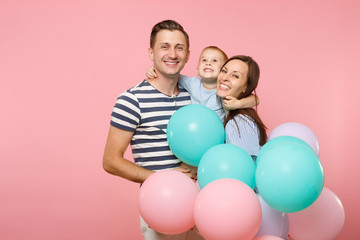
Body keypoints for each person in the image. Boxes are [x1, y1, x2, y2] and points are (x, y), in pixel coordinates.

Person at [102, 20, 204, 240]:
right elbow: (110, 161)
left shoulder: (196, 98)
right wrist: (161, 179)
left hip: (204, 207)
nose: (173, 54)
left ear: (187, 55)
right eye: (164, 46)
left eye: (179, 47)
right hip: (163, 206)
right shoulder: (132, 100)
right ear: (151, 52)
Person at [146, 46, 259, 121]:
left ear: (223, 70)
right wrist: (154, 70)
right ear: (197, 69)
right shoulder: (192, 83)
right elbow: (169, 75)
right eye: (204, 60)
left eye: (214, 61)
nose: (208, 63)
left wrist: (238, 104)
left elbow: (256, 99)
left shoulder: (223, 91)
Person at [216, 55, 267, 159]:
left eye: (235, 76)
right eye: (224, 71)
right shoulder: (219, 106)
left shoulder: (238, 123)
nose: (225, 78)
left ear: (246, 87)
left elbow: (243, 166)